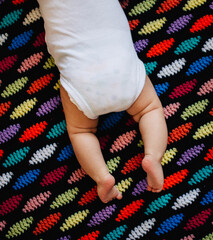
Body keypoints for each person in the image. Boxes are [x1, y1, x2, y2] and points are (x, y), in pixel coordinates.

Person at [37, 0, 168, 203]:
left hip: (81, 77)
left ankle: (102, 177)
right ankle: (153, 157)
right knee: (149, 110)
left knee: (81, 132)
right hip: (120, 65)